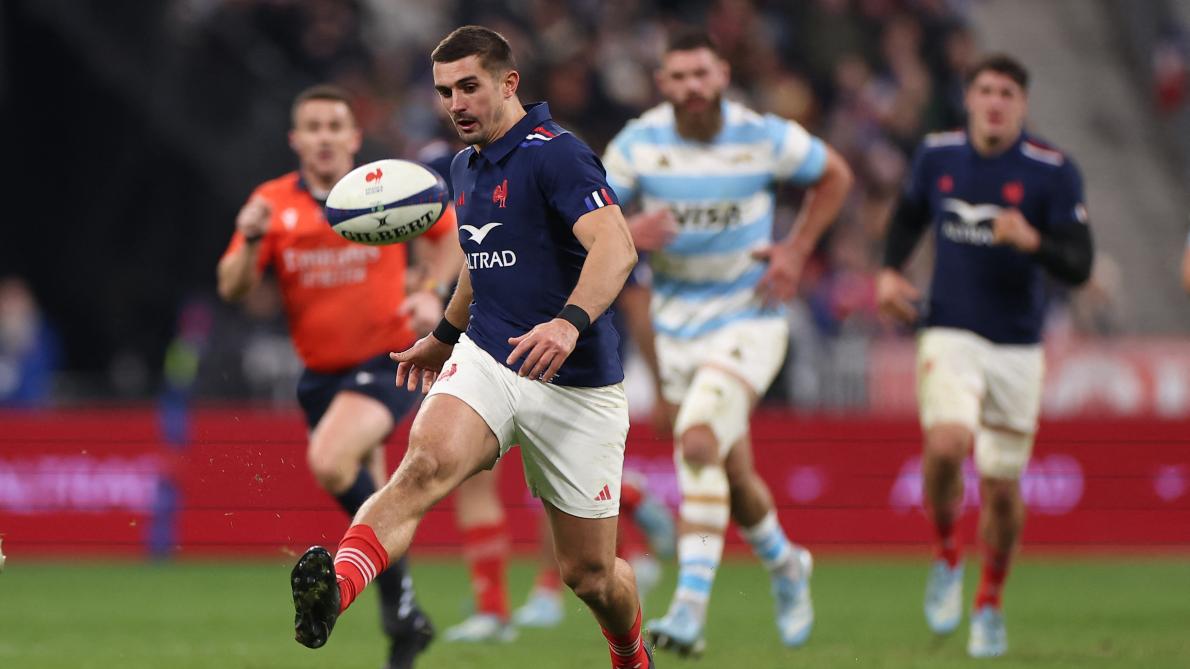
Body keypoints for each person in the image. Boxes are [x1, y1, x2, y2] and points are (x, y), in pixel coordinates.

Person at [288, 26, 656, 669]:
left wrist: (568, 323)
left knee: (592, 578)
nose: (455, 103)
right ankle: (336, 593)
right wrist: (444, 336)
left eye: (468, 87)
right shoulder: (464, 166)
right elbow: (477, 260)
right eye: (443, 91)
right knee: (422, 466)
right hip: (489, 357)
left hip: (576, 380)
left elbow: (617, 246)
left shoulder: (557, 154)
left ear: (508, 84)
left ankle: (629, 653)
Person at [601, 30, 853, 656]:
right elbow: (587, 215)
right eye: (678, 77)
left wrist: (796, 250)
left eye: (702, 75)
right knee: (734, 476)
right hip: (675, 322)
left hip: (750, 315)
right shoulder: (638, 144)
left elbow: (837, 176)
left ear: (722, 76)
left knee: (698, 441)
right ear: (662, 84)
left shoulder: (762, 134)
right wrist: (631, 228)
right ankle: (787, 564)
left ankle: (688, 607)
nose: (692, 88)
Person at [217, 84, 460, 669]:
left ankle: (394, 610)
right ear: (296, 139)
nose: (324, 137)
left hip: (387, 360)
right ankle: (403, 618)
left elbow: (447, 236)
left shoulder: (387, 190)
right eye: (313, 127)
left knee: (330, 460)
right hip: (320, 376)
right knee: (378, 503)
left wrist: (430, 292)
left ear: (353, 137)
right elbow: (232, 287)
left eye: (335, 126)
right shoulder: (273, 203)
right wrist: (250, 241)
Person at [876, 54, 1093, 658]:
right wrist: (890, 273)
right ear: (968, 99)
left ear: (1022, 105)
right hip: (950, 330)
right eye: (985, 91)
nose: (995, 101)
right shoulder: (938, 156)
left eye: (1007, 93)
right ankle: (948, 552)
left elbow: (1080, 264)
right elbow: (908, 216)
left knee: (1001, 489)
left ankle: (990, 602)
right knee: (946, 445)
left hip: (1018, 347)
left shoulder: (1052, 171)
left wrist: (1036, 242)